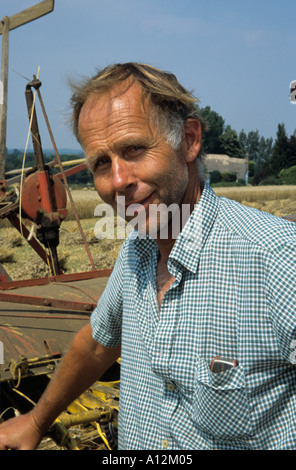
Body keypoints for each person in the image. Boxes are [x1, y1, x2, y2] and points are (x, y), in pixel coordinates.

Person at [0, 62, 296, 450]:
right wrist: (36, 421)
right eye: (102, 163)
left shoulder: (276, 260)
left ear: (189, 140)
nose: (118, 180)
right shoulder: (136, 254)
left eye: (134, 149)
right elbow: (97, 343)